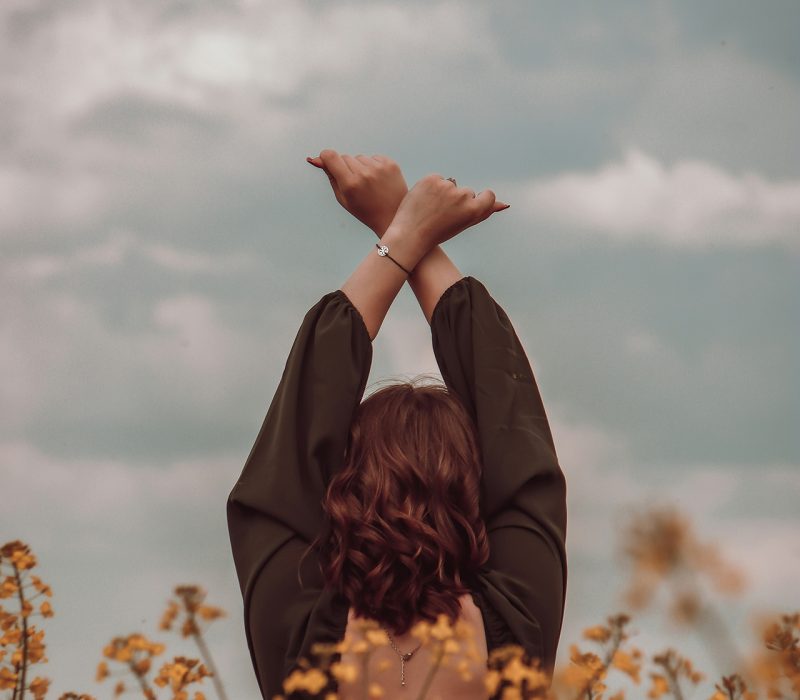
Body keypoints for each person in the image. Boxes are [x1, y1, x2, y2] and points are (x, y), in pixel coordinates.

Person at [226, 150, 568, 699]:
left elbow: (287, 451)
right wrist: (407, 228)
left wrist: (402, 233)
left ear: (345, 490)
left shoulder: (298, 634)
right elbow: (512, 416)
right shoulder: (516, 625)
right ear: (474, 490)